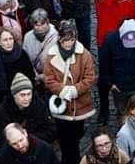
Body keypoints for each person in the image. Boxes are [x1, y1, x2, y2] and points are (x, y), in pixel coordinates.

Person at [43, 19, 98, 164]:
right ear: (59, 39)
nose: (68, 43)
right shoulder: (51, 55)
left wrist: (74, 90)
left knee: (76, 135)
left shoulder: (84, 54)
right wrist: (63, 90)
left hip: (80, 104)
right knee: (65, 139)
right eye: (65, 40)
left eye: (71, 40)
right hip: (61, 106)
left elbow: (90, 77)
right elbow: (48, 79)